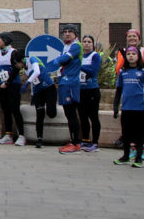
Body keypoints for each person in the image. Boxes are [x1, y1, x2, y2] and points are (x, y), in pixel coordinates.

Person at [113, 47, 144, 168]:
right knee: (126, 133)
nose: (131, 56)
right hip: (126, 108)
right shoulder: (123, 72)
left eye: (133, 54)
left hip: (140, 108)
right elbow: (118, 91)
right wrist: (115, 107)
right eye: (128, 54)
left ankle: (139, 157)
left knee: (139, 134)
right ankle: (125, 156)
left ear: (138, 56)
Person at [48, 25, 83, 154]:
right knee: (68, 114)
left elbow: (63, 59)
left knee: (72, 113)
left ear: (75, 34)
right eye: (65, 32)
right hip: (64, 81)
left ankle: (76, 142)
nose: (67, 34)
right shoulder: (66, 46)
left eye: (70, 32)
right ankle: (72, 140)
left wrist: (57, 60)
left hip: (71, 82)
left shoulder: (76, 45)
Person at [11, 49, 56, 148]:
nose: (17, 67)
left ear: (21, 61)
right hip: (38, 91)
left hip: (48, 88)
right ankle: (40, 139)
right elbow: (33, 82)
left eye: (17, 64)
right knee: (39, 114)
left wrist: (26, 83)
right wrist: (32, 95)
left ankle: (51, 109)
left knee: (51, 112)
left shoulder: (32, 59)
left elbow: (37, 72)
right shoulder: (26, 69)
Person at [0, 32, 25, 146]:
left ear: (5, 40)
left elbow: (16, 69)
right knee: (5, 110)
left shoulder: (14, 52)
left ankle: (21, 135)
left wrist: (8, 82)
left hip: (13, 85)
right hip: (0, 85)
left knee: (15, 109)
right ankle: (8, 134)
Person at [79, 35, 102, 152]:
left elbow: (93, 71)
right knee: (83, 117)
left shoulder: (95, 56)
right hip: (81, 90)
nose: (86, 44)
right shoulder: (80, 56)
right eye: (84, 41)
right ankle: (85, 140)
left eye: (89, 42)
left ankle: (95, 142)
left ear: (93, 44)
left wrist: (80, 66)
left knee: (93, 117)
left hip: (92, 90)